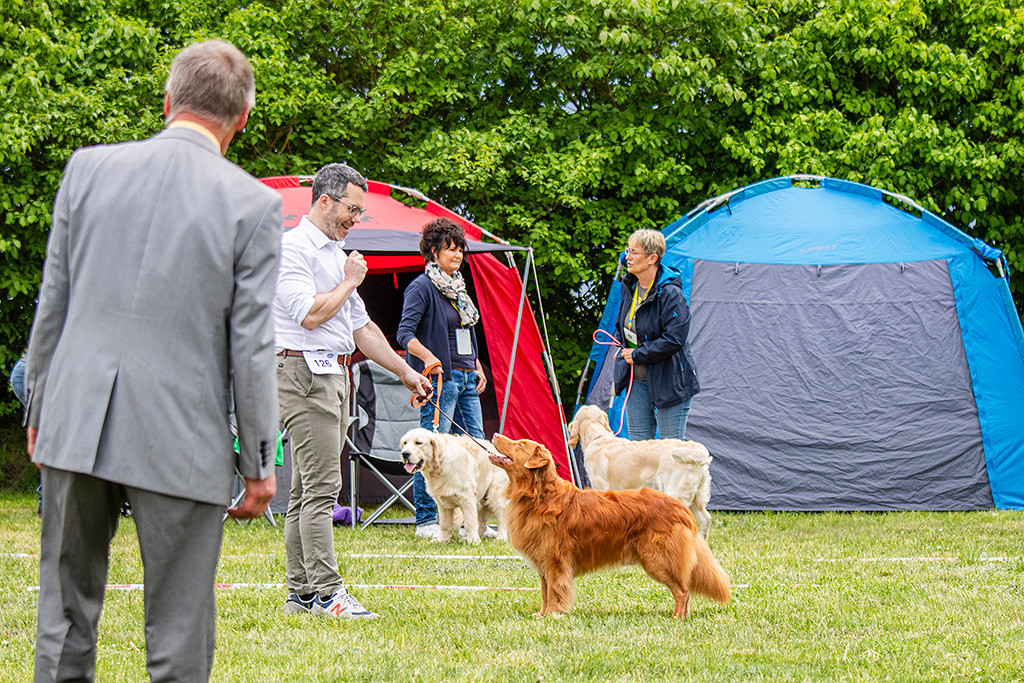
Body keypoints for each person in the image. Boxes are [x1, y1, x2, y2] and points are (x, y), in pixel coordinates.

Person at [24, 40, 281, 682]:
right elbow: (250, 344)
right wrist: (258, 462)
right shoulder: (253, 206)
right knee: (178, 635)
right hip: (181, 436)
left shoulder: (86, 169)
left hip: (75, 423)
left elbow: (53, 301)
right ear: (241, 120)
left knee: (62, 624)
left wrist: (41, 407)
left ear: (167, 102)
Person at [274, 162, 432, 619]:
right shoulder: (293, 250)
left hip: (333, 375)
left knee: (307, 491)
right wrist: (348, 280)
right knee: (324, 489)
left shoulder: (335, 253)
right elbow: (308, 315)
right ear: (324, 201)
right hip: (304, 373)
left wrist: (406, 371)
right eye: (352, 209)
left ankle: (301, 595)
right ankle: (328, 594)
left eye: (360, 212)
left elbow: (361, 328)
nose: (355, 219)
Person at [396, 217, 488, 540]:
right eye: (450, 249)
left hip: (466, 376)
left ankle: (474, 522)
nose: (458, 255)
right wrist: (427, 357)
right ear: (433, 252)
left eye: (460, 249)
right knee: (429, 450)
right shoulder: (421, 287)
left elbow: (465, 333)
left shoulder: (459, 288)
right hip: (440, 379)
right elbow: (404, 333)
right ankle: (426, 520)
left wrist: (476, 364)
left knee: (478, 447)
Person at [613, 228, 700, 440]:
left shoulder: (671, 293)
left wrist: (636, 355)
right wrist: (619, 346)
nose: (627, 257)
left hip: (669, 383)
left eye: (634, 252)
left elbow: (674, 339)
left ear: (652, 258)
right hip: (637, 382)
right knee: (639, 453)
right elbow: (622, 324)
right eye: (628, 250)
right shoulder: (630, 286)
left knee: (671, 454)